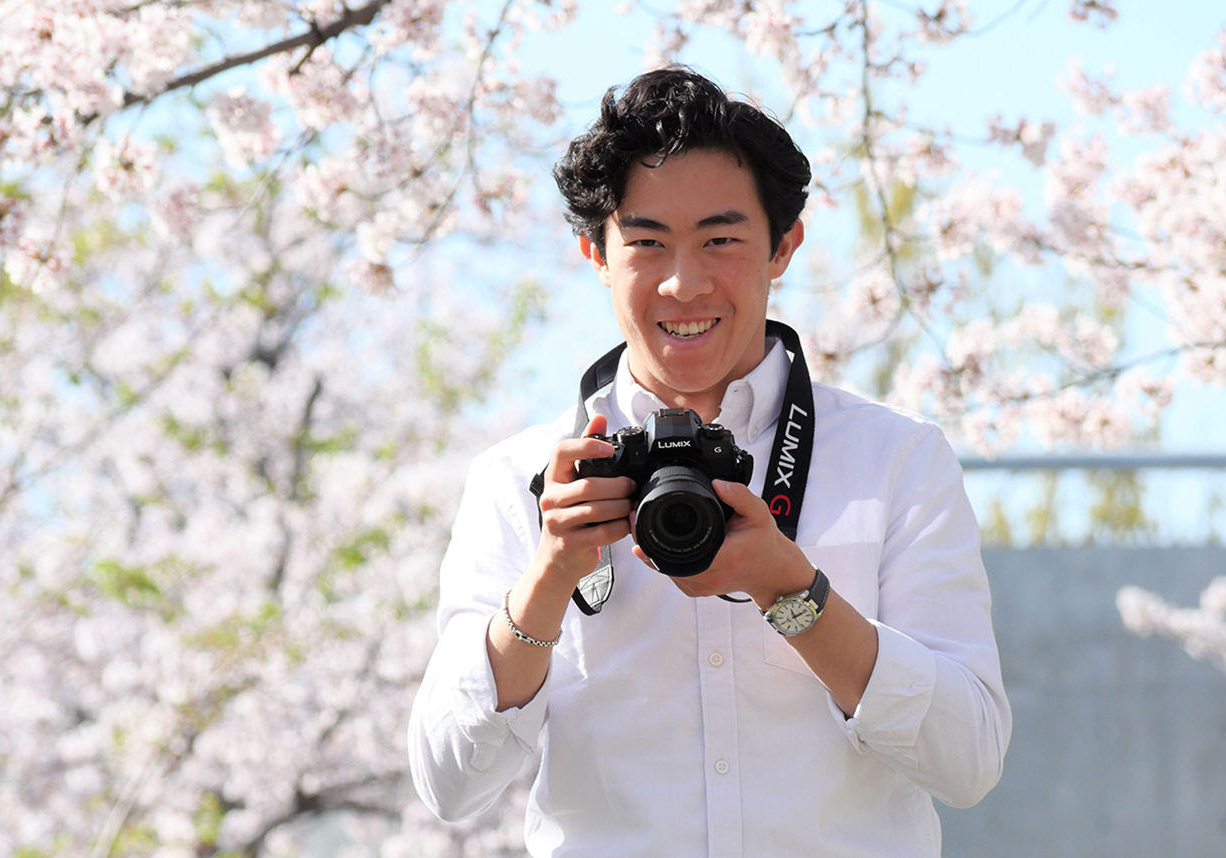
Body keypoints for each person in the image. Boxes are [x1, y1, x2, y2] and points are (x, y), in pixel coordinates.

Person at [408, 66, 1011, 857]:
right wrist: (551, 576)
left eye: (721, 241)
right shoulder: (524, 479)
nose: (683, 284)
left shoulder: (897, 460)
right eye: (647, 243)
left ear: (783, 246)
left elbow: (968, 761)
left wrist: (791, 592)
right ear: (596, 252)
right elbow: (451, 783)